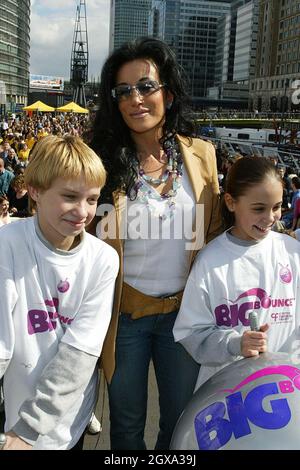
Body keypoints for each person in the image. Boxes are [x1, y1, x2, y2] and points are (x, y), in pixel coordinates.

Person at [89, 37, 222, 450]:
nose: (136, 99)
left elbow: (215, 230)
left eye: (146, 86)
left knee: (182, 419)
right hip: (124, 314)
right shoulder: (100, 160)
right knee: (127, 426)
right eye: (123, 91)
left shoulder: (202, 154)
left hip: (184, 316)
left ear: (168, 90)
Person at [0, 134, 119, 450]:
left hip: (66, 421)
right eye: (70, 196)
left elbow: (81, 352)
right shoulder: (6, 244)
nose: (82, 212)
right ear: (36, 190)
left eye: (92, 199)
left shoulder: (103, 259)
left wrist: (30, 427)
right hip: (10, 409)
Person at [173, 157, 300, 391]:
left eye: (277, 207)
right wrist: (234, 343)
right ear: (231, 203)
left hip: (288, 390)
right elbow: (191, 333)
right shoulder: (210, 261)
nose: (271, 217)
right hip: (227, 393)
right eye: (259, 208)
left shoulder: (292, 253)